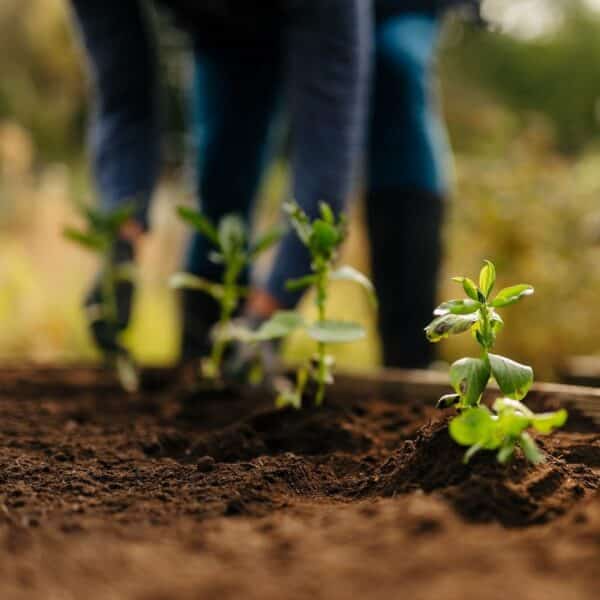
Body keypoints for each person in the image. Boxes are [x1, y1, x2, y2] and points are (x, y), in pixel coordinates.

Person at [68, 0, 372, 361]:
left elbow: (326, 154)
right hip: (224, 32)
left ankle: (409, 348)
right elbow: (123, 100)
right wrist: (119, 241)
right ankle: (204, 357)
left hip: (351, 17)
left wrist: (269, 315)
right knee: (222, 178)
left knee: (396, 70)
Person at [366, 0, 480, 368]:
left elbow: (398, 55)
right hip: (375, 181)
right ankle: (398, 388)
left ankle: (424, 397)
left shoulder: (413, 22)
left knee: (418, 312)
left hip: (420, 182)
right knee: (390, 313)